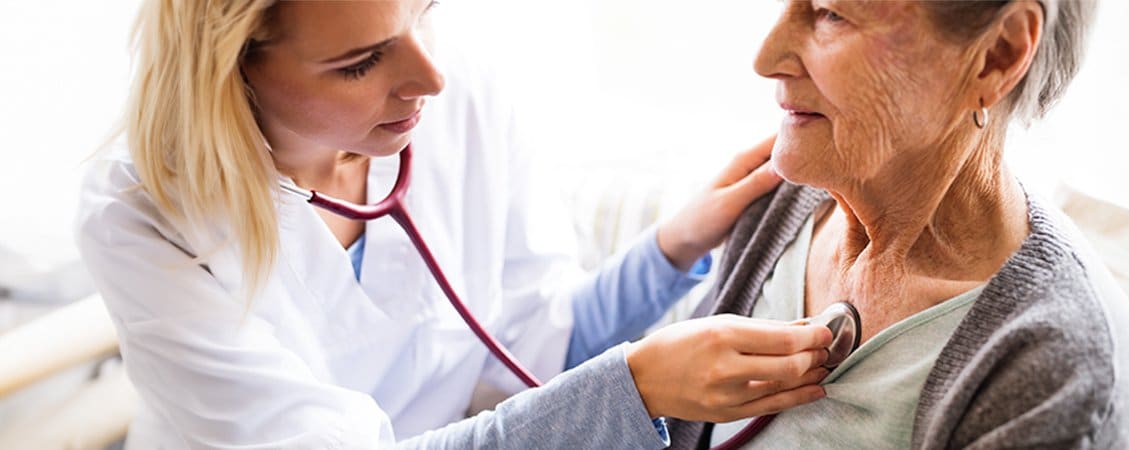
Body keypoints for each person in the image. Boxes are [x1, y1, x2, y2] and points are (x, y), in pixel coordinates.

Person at [75, 0, 832, 448]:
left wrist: (673, 247)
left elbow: (533, 341)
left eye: (423, 11)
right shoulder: (143, 218)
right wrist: (630, 391)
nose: (430, 77)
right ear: (232, 67)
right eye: (362, 61)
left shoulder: (455, 98)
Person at [666, 1, 1129, 448]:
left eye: (830, 13)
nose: (765, 58)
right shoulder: (785, 195)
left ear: (998, 55)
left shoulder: (1053, 378)